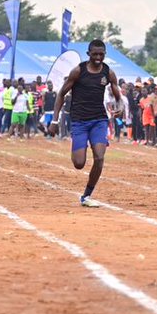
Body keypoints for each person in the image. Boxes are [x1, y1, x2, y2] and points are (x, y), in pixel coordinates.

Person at [48, 39, 121, 207]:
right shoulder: (78, 71)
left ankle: (86, 195)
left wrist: (120, 106)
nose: (98, 57)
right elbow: (61, 94)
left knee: (99, 157)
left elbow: (117, 92)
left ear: (105, 54)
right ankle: (81, 145)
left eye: (101, 54)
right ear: (88, 54)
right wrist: (55, 120)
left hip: (99, 120)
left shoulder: (108, 73)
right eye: (95, 54)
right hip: (79, 121)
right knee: (79, 163)